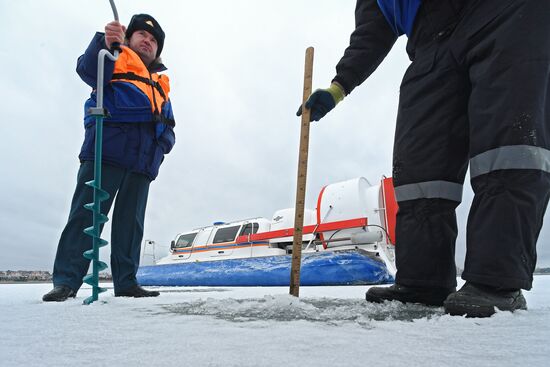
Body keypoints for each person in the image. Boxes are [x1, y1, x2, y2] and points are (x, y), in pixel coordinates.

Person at [298, 0, 550, 317]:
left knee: (508, 149)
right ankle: (424, 281)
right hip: (428, 40)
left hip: (505, 12)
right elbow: (372, 33)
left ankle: (495, 282)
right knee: (421, 174)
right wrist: (338, 87)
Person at [43, 14, 175, 301]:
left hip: (142, 164)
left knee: (132, 225)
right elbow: (88, 69)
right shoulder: (111, 55)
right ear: (129, 38)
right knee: (86, 215)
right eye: (142, 35)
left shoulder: (160, 83)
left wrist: (163, 146)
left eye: (153, 41)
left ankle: (126, 282)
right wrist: (106, 41)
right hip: (107, 152)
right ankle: (66, 281)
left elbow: (169, 123)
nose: (148, 42)